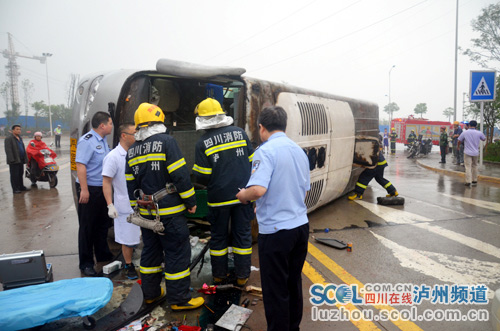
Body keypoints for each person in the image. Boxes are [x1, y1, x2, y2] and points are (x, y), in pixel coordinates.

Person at [236, 106, 310, 331]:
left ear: (261, 127)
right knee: (293, 283)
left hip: (276, 232)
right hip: (300, 227)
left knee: (275, 289)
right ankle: (292, 327)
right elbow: (302, 190)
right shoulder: (299, 150)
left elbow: (257, 189)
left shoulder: (265, 151)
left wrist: (243, 196)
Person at [125, 102, 204, 310]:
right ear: (159, 122)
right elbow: (179, 175)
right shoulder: (167, 142)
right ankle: (179, 299)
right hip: (169, 213)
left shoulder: (132, 150)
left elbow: (130, 183)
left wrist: (138, 209)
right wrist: (191, 201)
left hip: (146, 215)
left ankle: (150, 294)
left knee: (150, 252)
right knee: (177, 252)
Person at [192, 98, 254, 286]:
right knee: (242, 235)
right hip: (243, 196)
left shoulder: (202, 143)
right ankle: (242, 276)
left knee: (219, 237)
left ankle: (219, 275)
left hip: (218, 200)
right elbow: (252, 161)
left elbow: (203, 176)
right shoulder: (241, 133)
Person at [75, 111, 114, 277]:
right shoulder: (87, 141)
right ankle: (86, 263)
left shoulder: (104, 141)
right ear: (102, 125)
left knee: (102, 224)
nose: (112, 126)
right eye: (110, 123)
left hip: (102, 189)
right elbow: (80, 165)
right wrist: (84, 189)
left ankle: (102, 254)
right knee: (87, 228)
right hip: (89, 189)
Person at [102, 123, 141, 280]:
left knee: (145, 236)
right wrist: (110, 204)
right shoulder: (113, 157)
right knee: (127, 239)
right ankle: (128, 264)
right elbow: (106, 182)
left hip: (141, 203)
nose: (136, 136)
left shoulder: (137, 153)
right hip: (124, 205)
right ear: (124, 135)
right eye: (133, 133)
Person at [457, 120, 485, 187]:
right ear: (476, 126)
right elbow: (484, 139)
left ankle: (468, 181)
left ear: (469, 125)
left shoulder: (465, 133)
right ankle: (474, 180)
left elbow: (459, 140)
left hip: (467, 152)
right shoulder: (479, 133)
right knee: (475, 166)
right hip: (475, 152)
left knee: (468, 167)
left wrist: (458, 146)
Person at [4, 124, 29, 194]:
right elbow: (8, 150)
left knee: (20, 174)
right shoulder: (9, 138)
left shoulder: (20, 138)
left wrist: (25, 158)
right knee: (14, 175)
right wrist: (12, 160)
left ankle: (21, 186)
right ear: (13, 130)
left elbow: (23, 148)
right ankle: (15, 189)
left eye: (19, 129)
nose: (19, 131)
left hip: (20, 159)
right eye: (17, 129)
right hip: (14, 160)